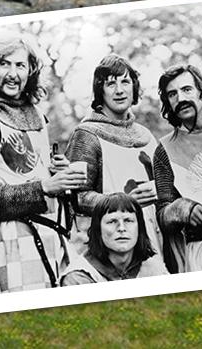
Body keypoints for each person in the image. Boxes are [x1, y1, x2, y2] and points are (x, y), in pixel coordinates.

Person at [0, 35, 87, 292]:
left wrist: (56, 169)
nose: (12, 73)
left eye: (20, 65)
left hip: (52, 234)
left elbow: (34, 168)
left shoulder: (36, 114)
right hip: (12, 237)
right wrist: (45, 186)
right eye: (5, 64)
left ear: (30, 72)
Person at [65, 54, 164, 269]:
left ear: (134, 88)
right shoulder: (87, 134)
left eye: (125, 82)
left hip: (151, 241)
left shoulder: (146, 136)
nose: (119, 90)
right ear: (100, 91)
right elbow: (78, 198)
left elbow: (164, 187)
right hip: (106, 247)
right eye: (111, 84)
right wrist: (122, 202)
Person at [152, 64, 202, 273]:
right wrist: (184, 209)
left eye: (187, 90)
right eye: (172, 94)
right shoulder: (165, 149)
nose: (180, 99)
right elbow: (163, 214)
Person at [59, 193, 168, 285]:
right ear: (98, 230)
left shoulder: (154, 269)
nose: (121, 228)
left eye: (128, 221)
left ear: (140, 228)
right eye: (112, 221)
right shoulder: (78, 277)